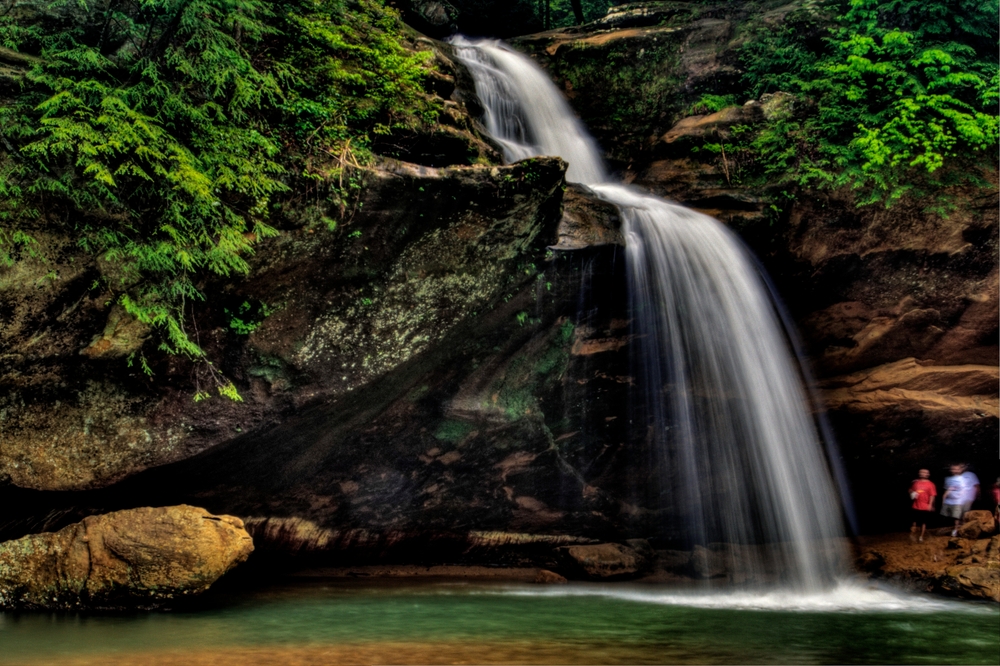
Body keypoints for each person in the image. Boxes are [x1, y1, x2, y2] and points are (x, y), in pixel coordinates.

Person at [940, 463, 980, 537]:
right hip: (958, 499)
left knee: (965, 514)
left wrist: (977, 495)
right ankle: (957, 529)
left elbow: (976, 486)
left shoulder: (971, 475)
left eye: (961, 467)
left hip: (968, 498)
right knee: (957, 515)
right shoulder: (956, 477)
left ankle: (963, 530)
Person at [908, 469, 936, 542]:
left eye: (925, 472)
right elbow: (910, 490)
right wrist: (912, 493)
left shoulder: (931, 484)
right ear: (919, 473)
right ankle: (913, 534)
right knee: (914, 521)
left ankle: (921, 536)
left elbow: (932, 495)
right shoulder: (916, 483)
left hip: (925, 506)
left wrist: (930, 505)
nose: (923, 474)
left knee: (923, 522)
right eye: (921, 472)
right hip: (915, 505)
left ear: (928, 474)